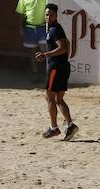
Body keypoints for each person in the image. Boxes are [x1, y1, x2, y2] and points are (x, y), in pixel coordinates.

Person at [35, 4, 79, 141]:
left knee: (49, 96)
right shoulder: (55, 29)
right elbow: (67, 46)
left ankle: (54, 128)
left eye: (51, 15)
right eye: (47, 14)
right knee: (57, 99)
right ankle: (70, 125)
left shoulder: (55, 30)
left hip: (56, 67)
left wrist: (46, 54)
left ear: (56, 16)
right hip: (61, 66)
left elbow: (63, 47)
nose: (48, 17)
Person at [16, 0, 48, 82]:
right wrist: (21, 27)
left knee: (44, 49)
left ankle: (46, 72)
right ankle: (35, 73)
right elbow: (20, 14)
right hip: (29, 28)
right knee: (33, 52)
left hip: (43, 27)